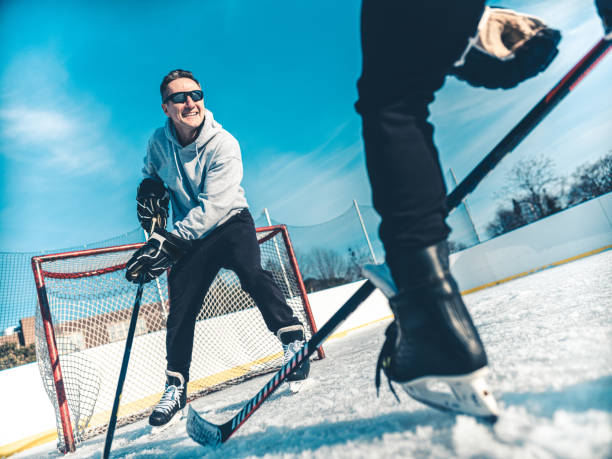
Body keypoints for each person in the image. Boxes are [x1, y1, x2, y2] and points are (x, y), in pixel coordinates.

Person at [125, 69, 310, 429]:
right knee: (180, 309)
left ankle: (293, 341)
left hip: (228, 221)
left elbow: (215, 204)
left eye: (196, 94)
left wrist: (170, 240)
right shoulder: (157, 143)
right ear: (166, 107)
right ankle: (176, 387)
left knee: (251, 272)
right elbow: (151, 174)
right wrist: (149, 191)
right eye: (179, 97)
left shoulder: (224, 143)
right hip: (189, 236)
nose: (190, 102)